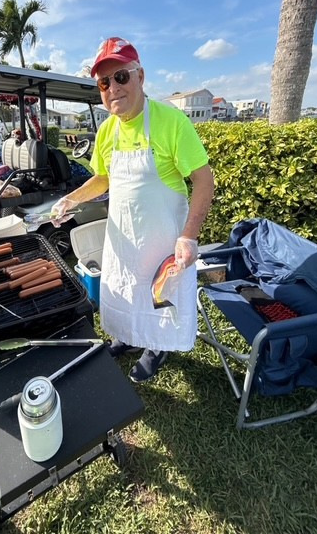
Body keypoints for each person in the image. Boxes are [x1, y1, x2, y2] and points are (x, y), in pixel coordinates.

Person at [51, 37, 214, 383]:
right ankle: (127, 335)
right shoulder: (106, 130)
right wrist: (71, 199)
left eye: (121, 77)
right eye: (104, 82)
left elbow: (204, 180)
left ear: (140, 76)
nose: (113, 88)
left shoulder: (171, 122)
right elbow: (102, 178)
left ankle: (157, 346)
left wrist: (189, 236)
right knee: (126, 289)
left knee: (157, 295)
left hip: (162, 239)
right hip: (123, 236)